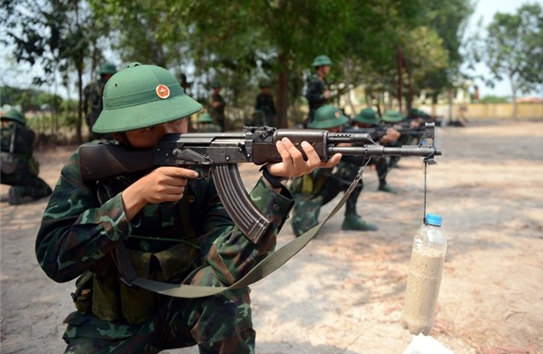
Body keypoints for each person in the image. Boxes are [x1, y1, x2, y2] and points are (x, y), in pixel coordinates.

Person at [35, 63, 341, 353]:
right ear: (118, 134)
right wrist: (130, 200)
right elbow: (54, 258)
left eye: (177, 120)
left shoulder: (205, 166)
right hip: (112, 324)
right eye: (149, 128)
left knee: (226, 298)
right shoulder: (88, 168)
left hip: (184, 307)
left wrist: (272, 184)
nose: (170, 134)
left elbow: (228, 266)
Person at [289, 105, 378, 237]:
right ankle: (302, 211)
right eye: (334, 126)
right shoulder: (308, 143)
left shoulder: (335, 141)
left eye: (339, 126)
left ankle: (351, 217)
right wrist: (333, 154)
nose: (338, 129)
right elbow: (313, 172)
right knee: (304, 233)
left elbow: (360, 160)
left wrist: (379, 142)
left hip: (325, 188)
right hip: (306, 194)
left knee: (352, 172)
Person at [1, 108, 52, 205]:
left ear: (7, 121)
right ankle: (20, 190)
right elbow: (29, 157)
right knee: (45, 189)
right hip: (18, 174)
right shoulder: (29, 134)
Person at [348, 107, 400, 194]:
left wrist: (383, 140)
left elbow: (370, 145)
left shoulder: (373, 128)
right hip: (348, 157)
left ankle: (382, 184)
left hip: (362, 153)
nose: (371, 126)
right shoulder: (349, 129)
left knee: (380, 158)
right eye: (369, 124)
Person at [83, 63, 117, 140]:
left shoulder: (90, 85)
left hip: (93, 118)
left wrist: (87, 118)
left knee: (94, 144)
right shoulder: (109, 86)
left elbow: (85, 105)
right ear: (107, 74)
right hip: (102, 118)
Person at [304, 55, 333, 125]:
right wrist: (323, 96)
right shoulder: (315, 80)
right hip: (316, 116)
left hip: (322, 114)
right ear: (320, 67)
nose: (328, 68)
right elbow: (309, 95)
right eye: (327, 66)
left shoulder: (322, 80)